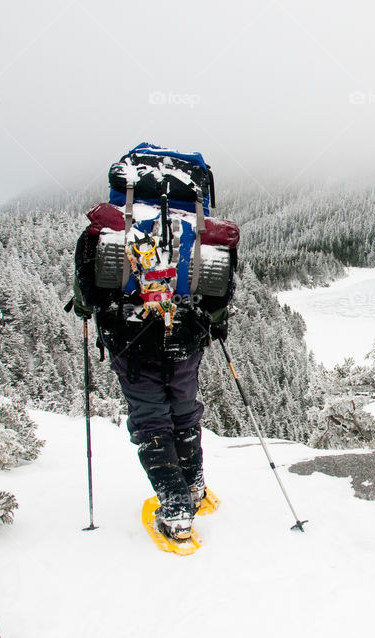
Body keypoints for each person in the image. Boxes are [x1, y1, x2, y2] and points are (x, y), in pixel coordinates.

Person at [71, 197, 231, 542]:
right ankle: (193, 488)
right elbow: (219, 293)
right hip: (185, 336)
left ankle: (176, 513)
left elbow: (86, 286)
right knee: (185, 410)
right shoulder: (198, 227)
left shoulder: (111, 226)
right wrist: (213, 326)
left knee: (150, 418)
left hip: (130, 338)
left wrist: (86, 310)